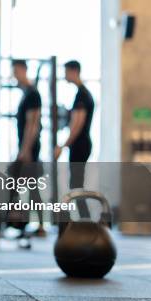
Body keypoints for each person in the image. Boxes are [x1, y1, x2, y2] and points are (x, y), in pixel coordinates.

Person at [54, 60, 94, 217]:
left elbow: (77, 125)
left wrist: (62, 146)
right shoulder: (82, 93)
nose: (64, 76)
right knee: (76, 184)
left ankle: (86, 219)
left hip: (81, 145)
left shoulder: (82, 95)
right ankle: (84, 219)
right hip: (80, 145)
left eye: (66, 72)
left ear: (73, 71)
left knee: (76, 185)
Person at [10, 59, 45, 241]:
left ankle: (39, 225)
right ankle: (35, 224)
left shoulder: (32, 94)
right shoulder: (26, 93)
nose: (14, 75)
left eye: (15, 71)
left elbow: (33, 124)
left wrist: (26, 150)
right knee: (29, 187)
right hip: (26, 147)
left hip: (30, 148)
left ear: (23, 70)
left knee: (29, 187)